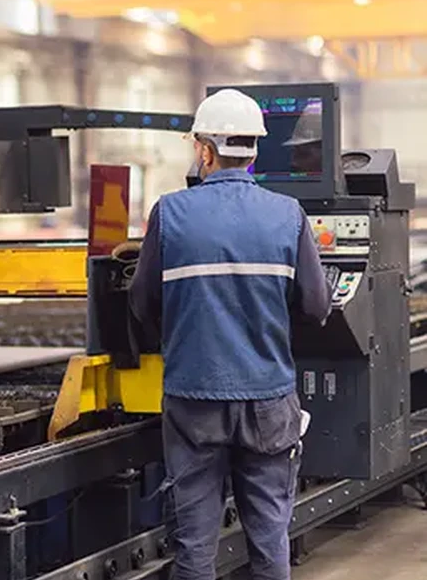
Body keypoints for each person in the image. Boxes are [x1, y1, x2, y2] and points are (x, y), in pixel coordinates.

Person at [128, 88, 331, 580]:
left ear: (204, 150)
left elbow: (140, 305)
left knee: (195, 546)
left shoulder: (169, 214)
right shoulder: (287, 215)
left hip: (193, 398)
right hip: (266, 401)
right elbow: (317, 306)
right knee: (269, 540)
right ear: (255, 151)